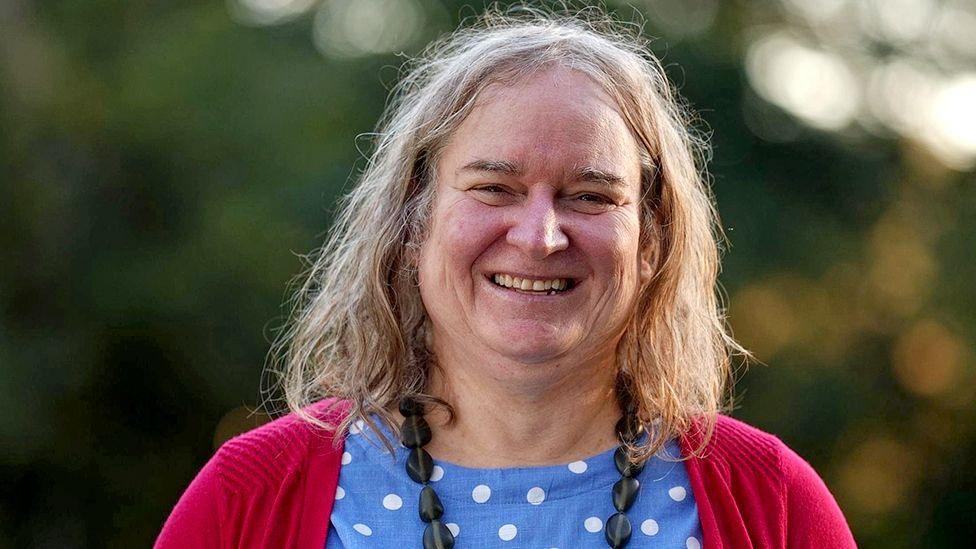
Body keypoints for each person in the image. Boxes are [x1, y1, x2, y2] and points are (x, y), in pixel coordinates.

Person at [156, 8, 856, 549]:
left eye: (590, 195)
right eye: (495, 187)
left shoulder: (773, 501)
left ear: (652, 240)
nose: (541, 235)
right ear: (413, 220)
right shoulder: (249, 496)